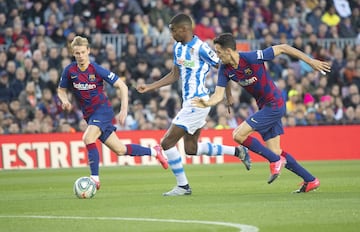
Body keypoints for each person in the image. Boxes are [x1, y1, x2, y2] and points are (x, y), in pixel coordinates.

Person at [192, 33, 331, 193]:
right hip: (264, 107)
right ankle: (310, 180)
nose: (217, 55)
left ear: (228, 51)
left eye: (218, 52)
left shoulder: (251, 58)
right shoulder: (225, 69)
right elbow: (217, 95)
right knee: (275, 151)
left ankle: (274, 161)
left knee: (238, 135)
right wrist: (207, 102)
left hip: (275, 104)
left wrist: (310, 61)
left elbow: (283, 48)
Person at [136, 13, 250, 196]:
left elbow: (224, 67)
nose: (171, 34)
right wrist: (151, 87)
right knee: (191, 149)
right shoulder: (177, 48)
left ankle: (183, 186)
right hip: (188, 103)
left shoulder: (201, 48)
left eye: (173, 31)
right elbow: (174, 74)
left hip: (199, 102)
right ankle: (238, 152)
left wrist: (227, 94)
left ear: (184, 30)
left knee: (166, 142)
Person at [57, 36, 168, 190]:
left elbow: (122, 86)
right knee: (120, 150)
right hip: (90, 116)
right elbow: (61, 90)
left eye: (83, 52)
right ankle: (154, 151)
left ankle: (94, 179)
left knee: (88, 138)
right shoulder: (70, 70)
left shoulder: (96, 69)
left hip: (102, 110)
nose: (81, 56)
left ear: (88, 51)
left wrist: (123, 110)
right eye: (77, 53)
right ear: (73, 53)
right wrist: (64, 100)